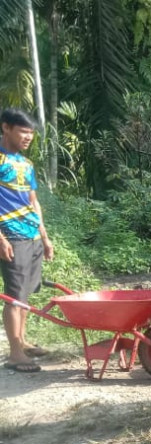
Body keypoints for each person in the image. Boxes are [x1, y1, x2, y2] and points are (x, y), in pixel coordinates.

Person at [0, 109, 53, 373]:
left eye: (31, 133)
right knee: (14, 296)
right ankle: (15, 354)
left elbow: (33, 202)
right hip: (11, 235)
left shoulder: (25, 163)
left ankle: (21, 341)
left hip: (31, 235)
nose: (28, 137)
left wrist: (44, 236)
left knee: (26, 294)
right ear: (6, 128)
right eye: (23, 131)